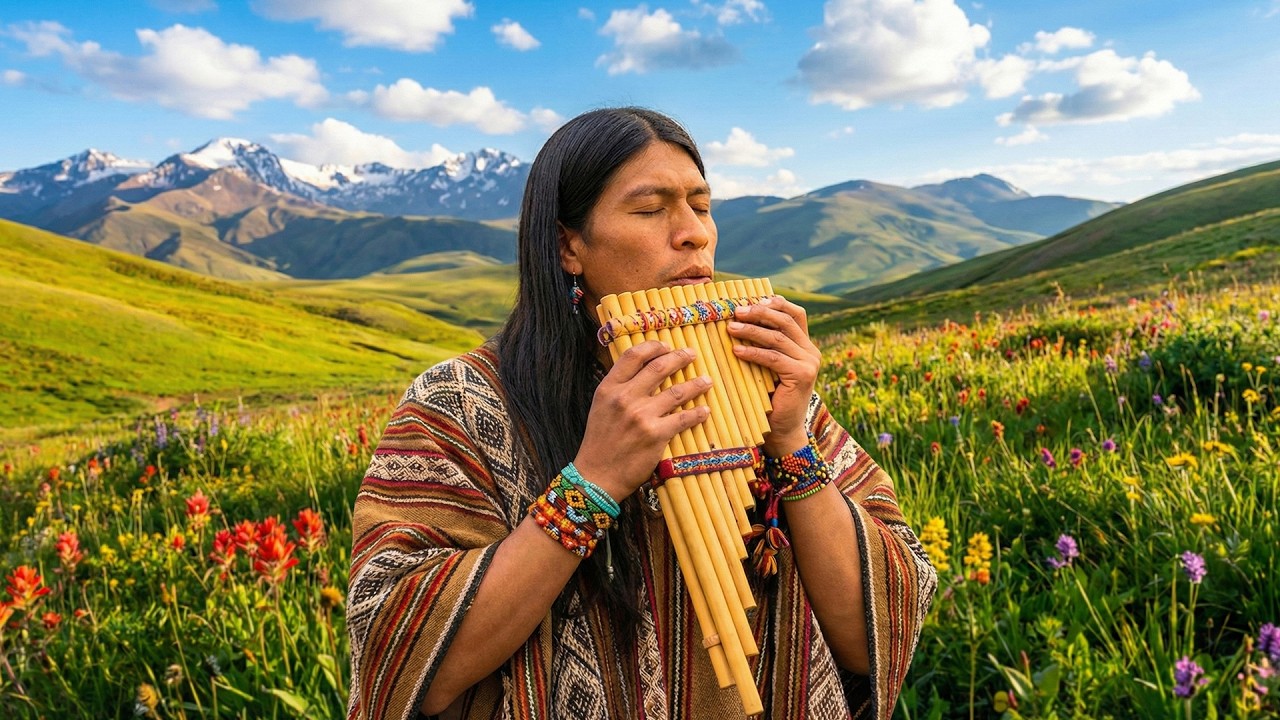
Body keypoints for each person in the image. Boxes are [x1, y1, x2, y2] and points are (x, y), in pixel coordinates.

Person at [347, 107, 937, 720]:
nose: (694, 233)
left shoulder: (760, 387)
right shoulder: (461, 403)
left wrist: (790, 441)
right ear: (567, 246)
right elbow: (403, 654)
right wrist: (593, 483)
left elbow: (874, 636)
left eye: (702, 206)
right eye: (651, 209)